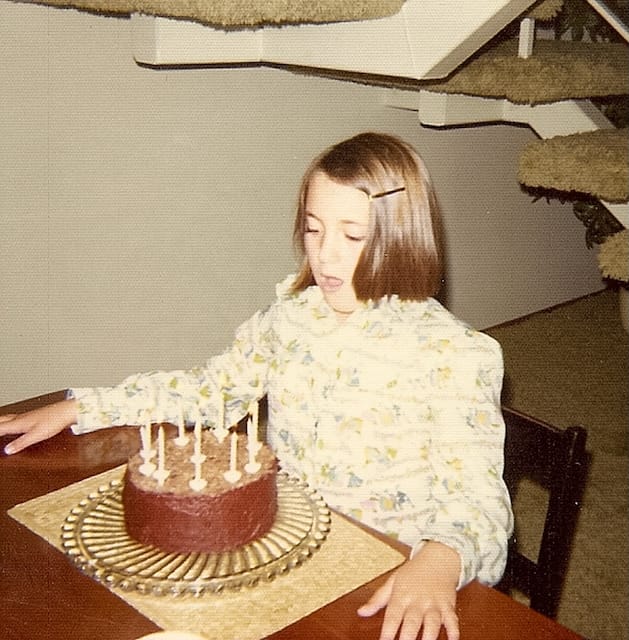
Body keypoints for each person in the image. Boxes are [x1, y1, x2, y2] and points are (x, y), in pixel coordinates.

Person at [0, 132, 513, 640]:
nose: (325, 256)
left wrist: (443, 559)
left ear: (402, 236)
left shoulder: (456, 356)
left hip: (384, 575)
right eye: (314, 229)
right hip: (280, 543)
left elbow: (479, 502)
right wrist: (82, 407)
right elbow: (210, 389)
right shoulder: (289, 320)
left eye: (352, 236)